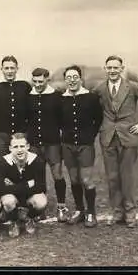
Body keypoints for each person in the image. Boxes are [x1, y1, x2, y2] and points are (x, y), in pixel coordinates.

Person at [93, 55, 138, 228]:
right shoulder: (99, 89)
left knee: (127, 177)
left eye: (116, 67)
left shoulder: (132, 87)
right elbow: (90, 110)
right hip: (108, 138)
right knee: (112, 178)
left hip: (128, 137)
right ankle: (117, 212)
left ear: (122, 69)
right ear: (105, 69)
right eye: (109, 68)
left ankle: (130, 213)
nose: (113, 71)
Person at [60, 66, 103, 227]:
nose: (72, 80)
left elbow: (98, 119)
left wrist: (90, 135)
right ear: (65, 80)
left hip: (85, 145)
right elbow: (58, 120)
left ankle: (91, 212)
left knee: (86, 179)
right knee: (74, 179)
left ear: (80, 78)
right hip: (67, 145)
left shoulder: (91, 97)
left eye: (75, 76)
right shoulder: (61, 98)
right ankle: (80, 210)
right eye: (69, 77)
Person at [27, 67, 70, 222]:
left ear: (47, 79)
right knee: (37, 176)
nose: (38, 84)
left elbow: (63, 120)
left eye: (41, 81)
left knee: (57, 174)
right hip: (33, 143)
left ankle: (61, 207)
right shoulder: (28, 96)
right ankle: (40, 208)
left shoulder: (56, 96)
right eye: (35, 81)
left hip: (52, 143)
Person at [0, 133, 48, 237]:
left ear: (28, 146)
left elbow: (41, 187)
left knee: (41, 202)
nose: (19, 150)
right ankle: (13, 221)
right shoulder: (3, 162)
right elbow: (0, 188)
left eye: (22, 146)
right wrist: (29, 184)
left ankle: (28, 217)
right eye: (15, 147)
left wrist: (13, 186)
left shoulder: (37, 161)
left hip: (28, 196)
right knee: (8, 201)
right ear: (10, 148)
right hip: (14, 197)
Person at [0, 55, 31, 160]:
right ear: (2, 69)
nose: (9, 71)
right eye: (6, 68)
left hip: (21, 132)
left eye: (12, 68)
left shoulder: (25, 86)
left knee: (21, 163)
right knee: (1, 163)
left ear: (17, 69)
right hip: (0, 133)